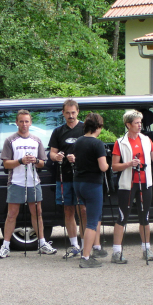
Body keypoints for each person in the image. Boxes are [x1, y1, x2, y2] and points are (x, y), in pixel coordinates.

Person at [48, 99, 107, 259]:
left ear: (78, 112)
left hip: (82, 176)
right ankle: (74, 245)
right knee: (68, 210)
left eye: (73, 112)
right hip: (65, 176)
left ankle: (86, 245)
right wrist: (57, 156)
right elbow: (51, 153)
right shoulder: (58, 131)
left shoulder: (85, 128)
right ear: (63, 113)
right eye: (67, 113)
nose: (71, 116)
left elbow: (92, 148)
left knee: (84, 211)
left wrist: (77, 158)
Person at [0, 109, 56, 258]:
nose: (24, 124)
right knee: (12, 214)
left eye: (27, 121)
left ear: (30, 123)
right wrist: (20, 161)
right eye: (21, 121)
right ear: (16, 122)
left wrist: (35, 160)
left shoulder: (36, 140)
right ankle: (5, 246)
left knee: (37, 213)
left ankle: (42, 243)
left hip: (33, 182)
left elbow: (42, 163)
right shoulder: (10, 140)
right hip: (15, 182)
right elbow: (6, 164)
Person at [111, 110, 153, 263]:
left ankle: (146, 249)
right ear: (128, 125)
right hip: (128, 184)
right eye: (136, 123)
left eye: (140, 122)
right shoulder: (120, 142)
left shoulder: (146, 140)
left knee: (145, 217)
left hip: (145, 183)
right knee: (122, 217)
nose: (139, 125)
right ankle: (116, 252)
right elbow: (114, 166)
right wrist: (129, 164)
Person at [72, 113, 108, 268]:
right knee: (92, 222)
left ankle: (90, 251)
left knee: (89, 218)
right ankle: (86, 257)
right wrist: (108, 164)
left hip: (78, 183)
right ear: (98, 127)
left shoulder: (78, 141)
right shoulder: (97, 144)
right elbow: (103, 167)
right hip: (92, 184)